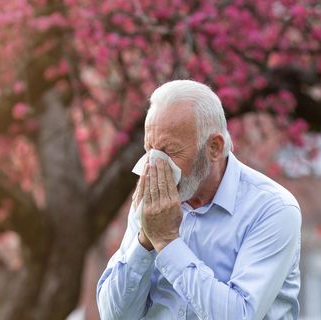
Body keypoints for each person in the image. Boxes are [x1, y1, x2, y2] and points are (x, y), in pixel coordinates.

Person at [97, 80, 302, 320]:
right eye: (149, 149)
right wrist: (145, 239)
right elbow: (114, 315)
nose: (155, 164)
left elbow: (239, 315)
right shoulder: (155, 203)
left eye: (170, 150)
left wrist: (166, 242)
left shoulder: (272, 209)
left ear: (214, 147)